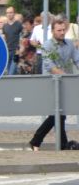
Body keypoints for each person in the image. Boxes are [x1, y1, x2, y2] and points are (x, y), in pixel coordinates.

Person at [29, 18, 77, 150]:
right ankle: (37, 140)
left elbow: (77, 60)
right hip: (50, 83)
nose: (62, 33)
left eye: (63, 30)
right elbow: (50, 66)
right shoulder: (47, 46)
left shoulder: (70, 44)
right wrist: (66, 76)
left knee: (60, 113)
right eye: (59, 30)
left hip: (65, 84)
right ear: (53, 31)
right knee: (57, 113)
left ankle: (58, 143)